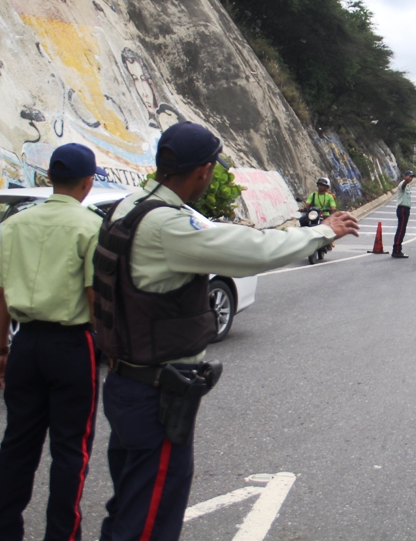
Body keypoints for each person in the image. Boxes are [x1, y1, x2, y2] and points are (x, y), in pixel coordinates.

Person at [95, 122, 359, 541]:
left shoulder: (128, 206)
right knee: (150, 517)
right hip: (156, 397)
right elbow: (248, 250)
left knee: (129, 504)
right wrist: (322, 232)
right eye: (213, 168)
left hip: (125, 384)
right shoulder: (168, 226)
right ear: (203, 171)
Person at [0, 143, 104, 541]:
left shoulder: (17, 225)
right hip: (72, 347)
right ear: (89, 182)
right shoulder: (90, 226)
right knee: (71, 449)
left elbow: (1, 294)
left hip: (25, 344)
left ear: (48, 179)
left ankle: (2, 531)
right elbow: (92, 295)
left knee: (17, 443)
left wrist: (0, 350)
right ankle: (62, 535)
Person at [391, 170, 414, 258]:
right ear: (405, 176)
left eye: (412, 177)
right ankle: (396, 250)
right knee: (401, 230)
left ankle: (398, 249)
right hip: (403, 209)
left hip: (405, 209)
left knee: (402, 229)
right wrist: (406, 181)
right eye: (409, 176)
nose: (411, 178)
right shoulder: (403, 184)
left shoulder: (408, 185)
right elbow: (403, 186)